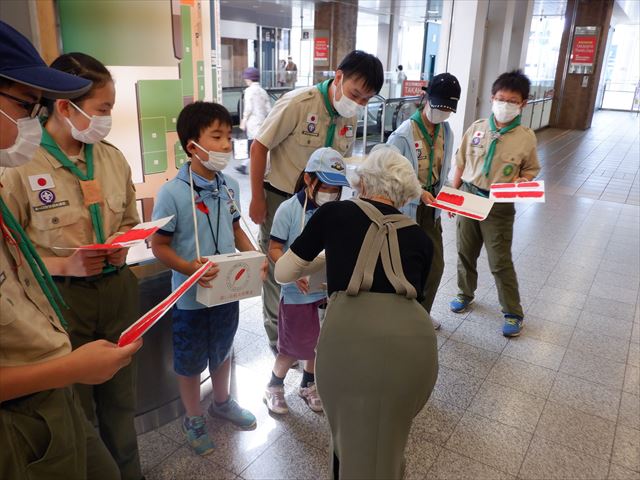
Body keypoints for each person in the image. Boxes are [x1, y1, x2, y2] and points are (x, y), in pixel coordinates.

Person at [0, 20, 141, 480]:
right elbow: (18, 255)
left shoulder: (112, 157)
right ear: (65, 108)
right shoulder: (21, 165)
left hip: (114, 291)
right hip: (60, 301)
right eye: (101, 109)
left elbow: (127, 221)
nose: (106, 120)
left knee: (120, 401)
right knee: (74, 410)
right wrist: (67, 263)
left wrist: (122, 246)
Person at [274, 147, 438, 479]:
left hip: (349, 339)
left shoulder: (334, 214)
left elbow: (283, 271)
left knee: (347, 443)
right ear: (404, 192)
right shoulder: (422, 238)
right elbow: (413, 294)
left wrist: (325, 259)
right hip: (417, 347)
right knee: (390, 443)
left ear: (361, 182)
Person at [249, 50, 383, 355]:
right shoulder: (298, 104)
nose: (358, 103)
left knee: (314, 266)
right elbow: (259, 147)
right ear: (338, 77)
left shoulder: (349, 116)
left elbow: (341, 161)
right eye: (355, 93)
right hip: (282, 199)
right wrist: (257, 198)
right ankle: (278, 339)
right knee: (277, 270)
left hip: (323, 205)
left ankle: (311, 332)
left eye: (366, 99)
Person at [151, 101, 259, 456]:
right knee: (190, 359)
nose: (227, 144)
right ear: (191, 145)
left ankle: (223, 402)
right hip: (190, 299)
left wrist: (253, 257)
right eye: (217, 136)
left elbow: (235, 227)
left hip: (226, 291)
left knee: (224, 348)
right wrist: (188, 269)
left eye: (229, 135)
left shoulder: (228, 185)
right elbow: (159, 245)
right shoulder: (172, 193)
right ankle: (193, 417)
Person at [449, 70, 540, 337]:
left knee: (500, 261)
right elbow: (461, 163)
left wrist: (524, 181)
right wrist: (453, 198)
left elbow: (531, 170)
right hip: (469, 195)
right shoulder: (476, 128)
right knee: (465, 252)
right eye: (501, 99)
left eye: (512, 101)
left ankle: (513, 312)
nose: (505, 105)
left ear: (523, 103)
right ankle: (464, 293)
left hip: (499, 204)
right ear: (492, 98)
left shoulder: (526, 137)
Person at [264, 147, 349, 415]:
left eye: (337, 188)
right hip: (296, 294)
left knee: (318, 343)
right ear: (309, 179)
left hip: (325, 291)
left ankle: (308, 384)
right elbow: (274, 249)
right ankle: (274, 386)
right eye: (326, 186)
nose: (332, 193)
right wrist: (296, 271)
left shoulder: (336, 211)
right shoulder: (288, 210)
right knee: (292, 346)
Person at [387, 73, 461, 327]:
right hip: (408, 207)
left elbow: (443, 170)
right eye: (439, 107)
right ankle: (402, 318)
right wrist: (418, 192)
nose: (442, 113)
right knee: (407, 265)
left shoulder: (446, 131)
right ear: (426, 99)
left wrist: (448, 194)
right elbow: (391, 173)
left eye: (448, 110)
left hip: (432, 209)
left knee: (435, 265)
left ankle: (420, 316)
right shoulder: (404, 134)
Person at [236, 67, 271, 175]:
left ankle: (263, 168)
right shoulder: (263, 91)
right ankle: (244, 165)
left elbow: (249, 108)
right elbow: (269, 109)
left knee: (255, 145)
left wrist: (244, 120)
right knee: (259, 144)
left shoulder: (249, 91)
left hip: (253, 123)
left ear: (248, 79)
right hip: (263, 122)